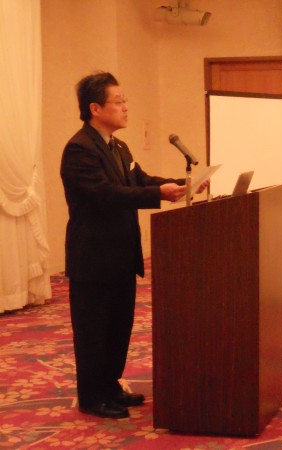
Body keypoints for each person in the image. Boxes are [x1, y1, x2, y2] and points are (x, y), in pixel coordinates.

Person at [60, 72, 208, 419]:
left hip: (122, 254)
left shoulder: (118, 146)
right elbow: (107, 194)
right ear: (95, 108)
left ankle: (110, 386)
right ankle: (92, 396)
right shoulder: (80, 149)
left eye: (125, 101)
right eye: (119, 101)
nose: (126, 107)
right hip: (94, 256)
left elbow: (140, 180)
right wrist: (159, 193)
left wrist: (180, 184)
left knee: (118, 326)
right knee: (94, 329)